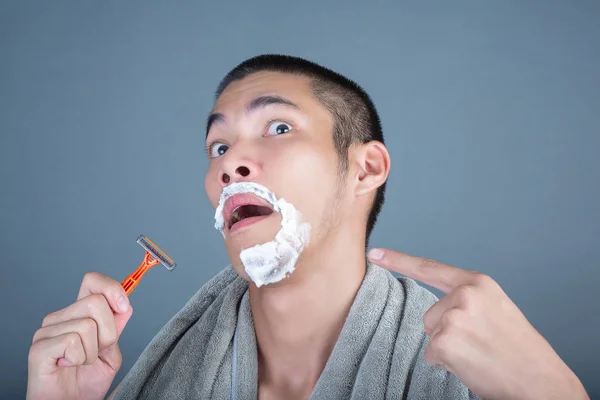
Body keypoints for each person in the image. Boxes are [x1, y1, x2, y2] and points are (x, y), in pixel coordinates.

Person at [27, 54, 589, 400]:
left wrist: (553, 394)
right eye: (218, 146)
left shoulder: (469, 369)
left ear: (365, 167)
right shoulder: (162, 374)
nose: (229, 164)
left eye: (276, 127)